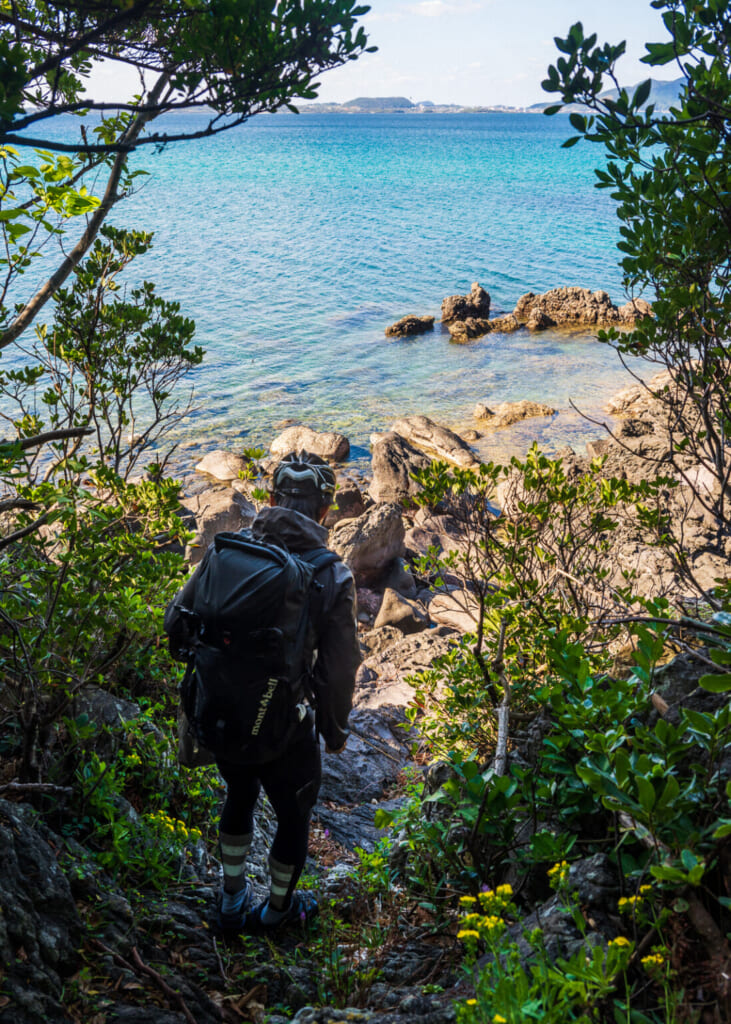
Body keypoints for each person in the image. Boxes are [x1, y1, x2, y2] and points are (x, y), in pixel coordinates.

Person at [164, 451, 360, 933]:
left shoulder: (225, 550)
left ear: (270, 499)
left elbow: (176, 625)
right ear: (324, 511)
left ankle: (230, 900)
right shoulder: (333, 575)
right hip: (284, 726)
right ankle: (276, 912)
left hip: (222, 711)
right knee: (293, 817)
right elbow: (339, 670)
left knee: (239, 792)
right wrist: (334, 732)